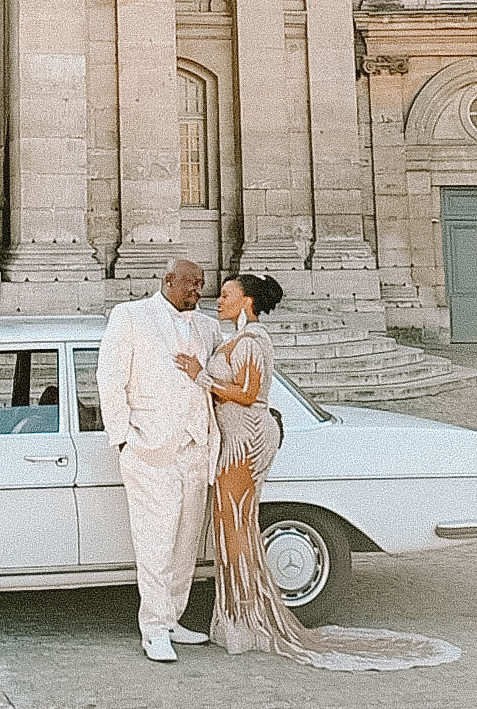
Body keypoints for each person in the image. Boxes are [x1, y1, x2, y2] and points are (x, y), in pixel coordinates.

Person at [174, 272, 461, 671]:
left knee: (236, 527)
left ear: (248, 302)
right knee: (230, 528)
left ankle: (248, 619)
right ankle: (239, 615)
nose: (218, 300)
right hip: (234, 438)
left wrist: (199, 375)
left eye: (226, 295)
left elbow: (250, 394)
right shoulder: (237, 340)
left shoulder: (255, 341)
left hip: (245, 439)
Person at [96, 258, 221, 663]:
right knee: (155, 542)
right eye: (190, 284)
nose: (197, 292)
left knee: (186, 544)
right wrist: (123, 439)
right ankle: (152, 629)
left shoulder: (207, 327)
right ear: (167, 280)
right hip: (150, 451)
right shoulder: (130, 316)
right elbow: (110, 378)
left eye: (201, 285)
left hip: (196, 450)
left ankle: (172, 618)